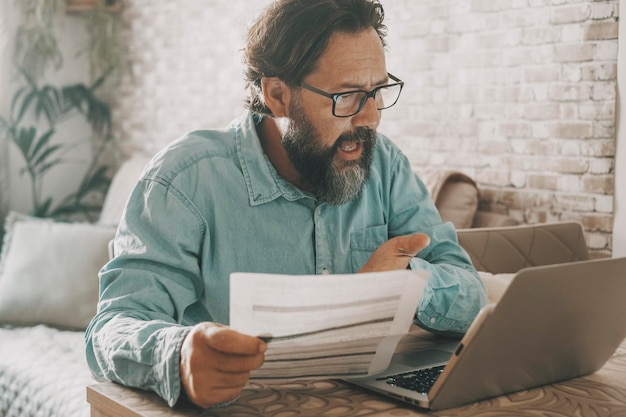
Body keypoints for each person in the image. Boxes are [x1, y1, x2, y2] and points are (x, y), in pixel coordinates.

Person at [85, 0, 487, 410]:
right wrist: (178, 353)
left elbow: (472, 292)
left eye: (377, 92)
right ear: (277, 94)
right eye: (346, 96)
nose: (369, 118)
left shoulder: (386, 167)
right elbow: (112, 327)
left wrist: (405, 282)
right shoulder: (186, 179)